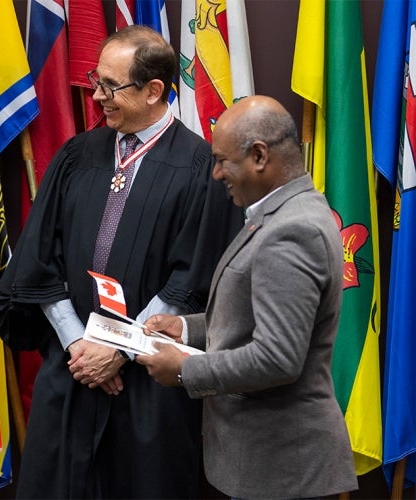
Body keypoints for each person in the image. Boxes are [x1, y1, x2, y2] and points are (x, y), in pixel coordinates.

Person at [0, 25, 243, 498]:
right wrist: (79, 345)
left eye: (111, 86)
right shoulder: (77, 155)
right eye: (96, 80)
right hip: (74, 371)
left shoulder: (199, 167)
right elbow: (40, 263)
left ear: (154, 91)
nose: (97, 96)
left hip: (149, 379)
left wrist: (119, 348)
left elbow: (189, 282)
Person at [136, 95, 359, 498]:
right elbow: (254, 314)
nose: (217, 173)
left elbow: (277, 358)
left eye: (223, 161)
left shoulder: (292, 231)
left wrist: (185, 370)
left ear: (259, 155)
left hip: (282, 470)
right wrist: (185, 328)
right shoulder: (283, 212)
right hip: (265, 463)